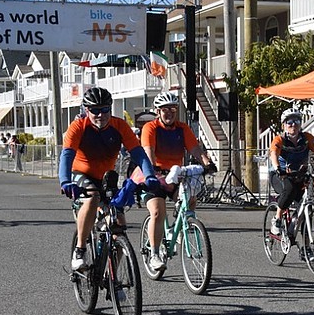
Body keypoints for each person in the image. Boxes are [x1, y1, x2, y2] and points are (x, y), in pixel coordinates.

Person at [59, 86, 159, 271]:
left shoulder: (119, 126)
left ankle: (112, 275)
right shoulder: (78, 127)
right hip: (81, 173)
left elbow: (138, 153)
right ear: (86, 110)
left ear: (110, 109)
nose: (100, 115)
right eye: (95, 110)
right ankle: (80, 250)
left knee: (118, 223)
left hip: (106, 177)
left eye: (105, 109)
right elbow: (66, 155)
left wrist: (149, 175)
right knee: (92, 198)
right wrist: (65, 181)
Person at [140, 91, 217, 272]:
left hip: (176, 176)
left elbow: (195, 149)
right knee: (158, 212)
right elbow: (148, 150)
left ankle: (183, 225)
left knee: (191, 198)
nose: (169, 113)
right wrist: (153, 168)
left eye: (173, 109)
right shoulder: (150, 128)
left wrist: (208, 163)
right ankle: (154, 254)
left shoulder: (182, 129)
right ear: (158, 112)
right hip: (155, 176)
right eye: (165, 110)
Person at [269, 108, 314, 240]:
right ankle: (277, 218)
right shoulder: (279, 139)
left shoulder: (306, 138)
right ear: (284, 125)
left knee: (306, 209)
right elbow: (274, 154)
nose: (293, 125)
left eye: (297, 121)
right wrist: (278, 168)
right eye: (290, 122)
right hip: (280, 175)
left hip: (298, 175)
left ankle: (306, 248)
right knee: (290, 189)